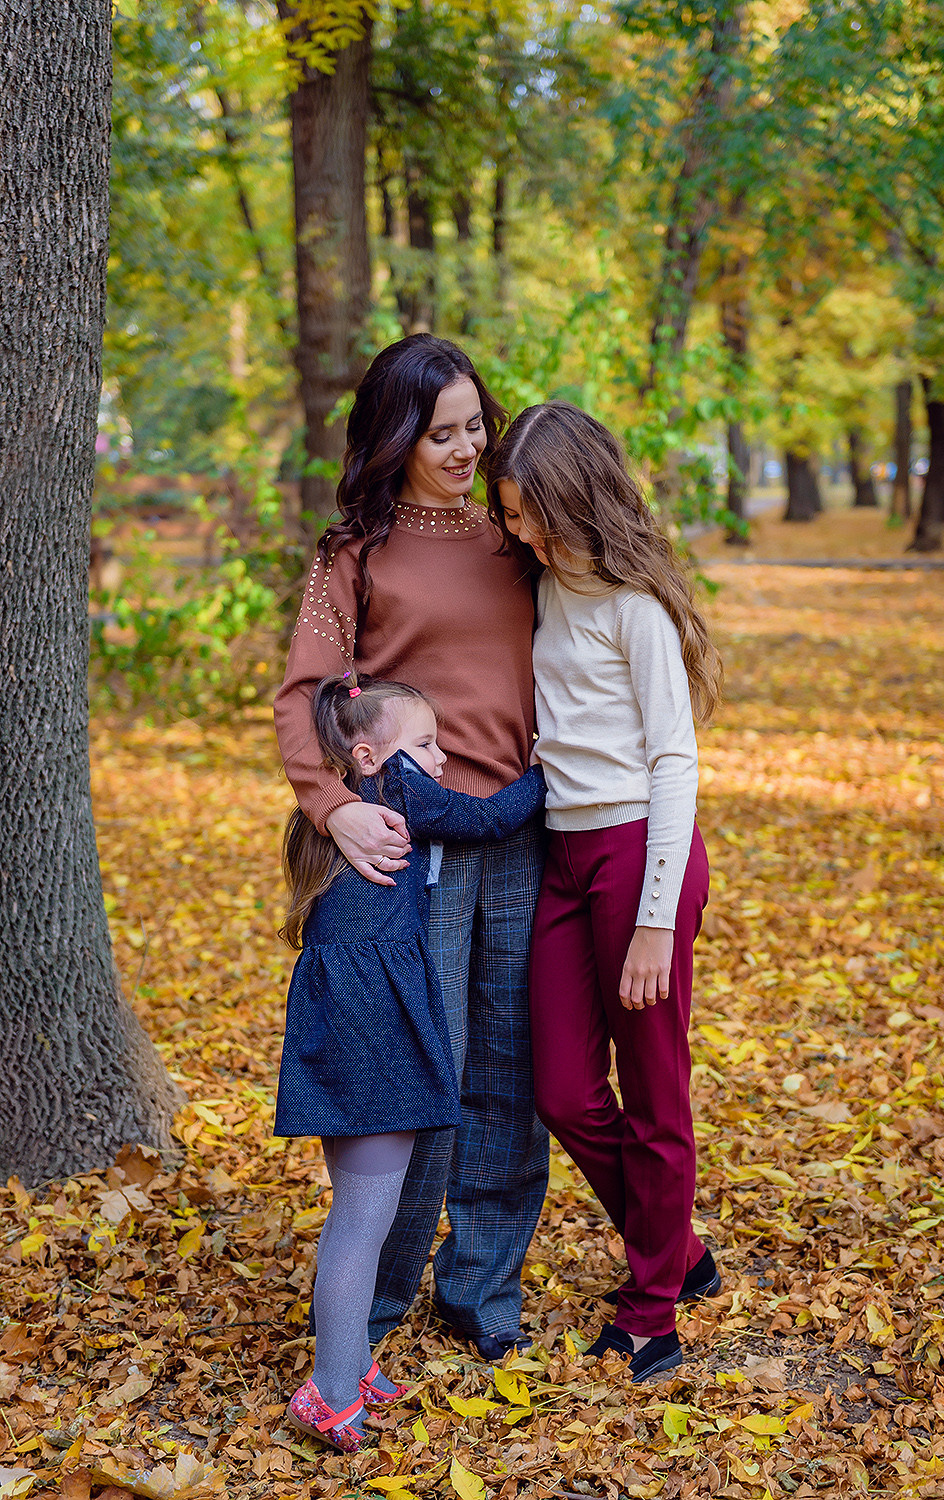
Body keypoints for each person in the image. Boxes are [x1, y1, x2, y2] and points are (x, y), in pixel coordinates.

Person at [274, 334, 549, 1361]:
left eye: (476, 426)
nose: (466, 448)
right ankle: (375, 1307)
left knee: (509, 1076)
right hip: (409, 844)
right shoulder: (354, 553)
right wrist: (329, 805)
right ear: (396, 439)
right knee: (421, 1075)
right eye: (442, 434)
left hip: (521, 832)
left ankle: (481, 1289)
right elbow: (305, 694)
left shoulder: (516, 532)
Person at [488, 401, 724, 1383]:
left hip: (636, 857)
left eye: (532, 516)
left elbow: (675, 762)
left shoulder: (635, 610)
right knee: (565, 1092)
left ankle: (650, 1313)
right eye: (509, 516)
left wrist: (655, 921)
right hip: (562, 855)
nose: (521, 535)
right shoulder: (541, 588)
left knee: (653, 1091)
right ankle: (678, 1250)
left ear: (578, 499)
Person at [277, 673, 546, 1449]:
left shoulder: (348, 814)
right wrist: (544, 772)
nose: (439, 759)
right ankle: (328, 1391)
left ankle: (355, 1364)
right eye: (426, 743)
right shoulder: (396, 788)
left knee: (363, 1208)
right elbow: (487, 818)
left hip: (348, 1022)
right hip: (374, 1037)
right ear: (368, 756)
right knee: (361, 1221)